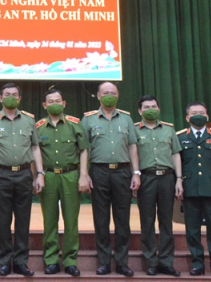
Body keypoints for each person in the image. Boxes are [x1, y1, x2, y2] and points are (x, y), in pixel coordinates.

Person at [0, 83, 44, 277]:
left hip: (24, 175)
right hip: (2, 175)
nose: (11, 97)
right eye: (7, 94)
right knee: (3, 220)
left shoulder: (28, 120)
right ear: (0, 98)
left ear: (19, 98)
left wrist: (39, 173)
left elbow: (35, 148)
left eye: (14, 95)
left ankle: (21, 262)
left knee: (23, 221)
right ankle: (5, 261)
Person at [81, 81, 140, 277]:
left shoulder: (126, 119)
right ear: (98, 96)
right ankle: (104, 262)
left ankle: (122, 263)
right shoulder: (88, 119)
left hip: (122, 172)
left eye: (113, 93)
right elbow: (83, 149)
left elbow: (132, 146)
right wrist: (85, 173)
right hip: (99, 172)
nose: (109, 95)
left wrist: (136, 172)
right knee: (101, 219)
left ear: (118, 95)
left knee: (123, 219)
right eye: (105, 92)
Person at [34, 88, 89, 277]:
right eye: (50, 101)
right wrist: (37, 176)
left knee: (71, 220)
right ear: (44, 105)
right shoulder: (39, 126)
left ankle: (70, 261)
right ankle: (50, 260)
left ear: (64, 103)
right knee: (49, 220)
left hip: (70, 176)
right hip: (48, 176)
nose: (54, 104)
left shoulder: (75, 124)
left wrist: (83, 175)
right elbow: (35, 153)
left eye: (58, 100)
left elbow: (83, 150)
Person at [177, 101, 211, 278]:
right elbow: (177, 165)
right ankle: (197, 264)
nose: (198, 115)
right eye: (194, 113)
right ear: (187, 117)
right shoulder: (180, 137)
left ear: (207, 116)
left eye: (201, 112)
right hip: (190, 189)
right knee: (192, 230)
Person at [134, 95, 182, 276]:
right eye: (146, 107)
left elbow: (176, 154)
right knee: (147, 222)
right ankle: (151, 262)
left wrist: (179, 179)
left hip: (167, 179)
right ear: (140, 111)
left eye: (153, 106)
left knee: (166, 222)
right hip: (146, 179)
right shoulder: (134, 130)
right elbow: (132, 154)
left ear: (159, 108)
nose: (150, 109)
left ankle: (167, 262)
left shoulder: (169, 130)